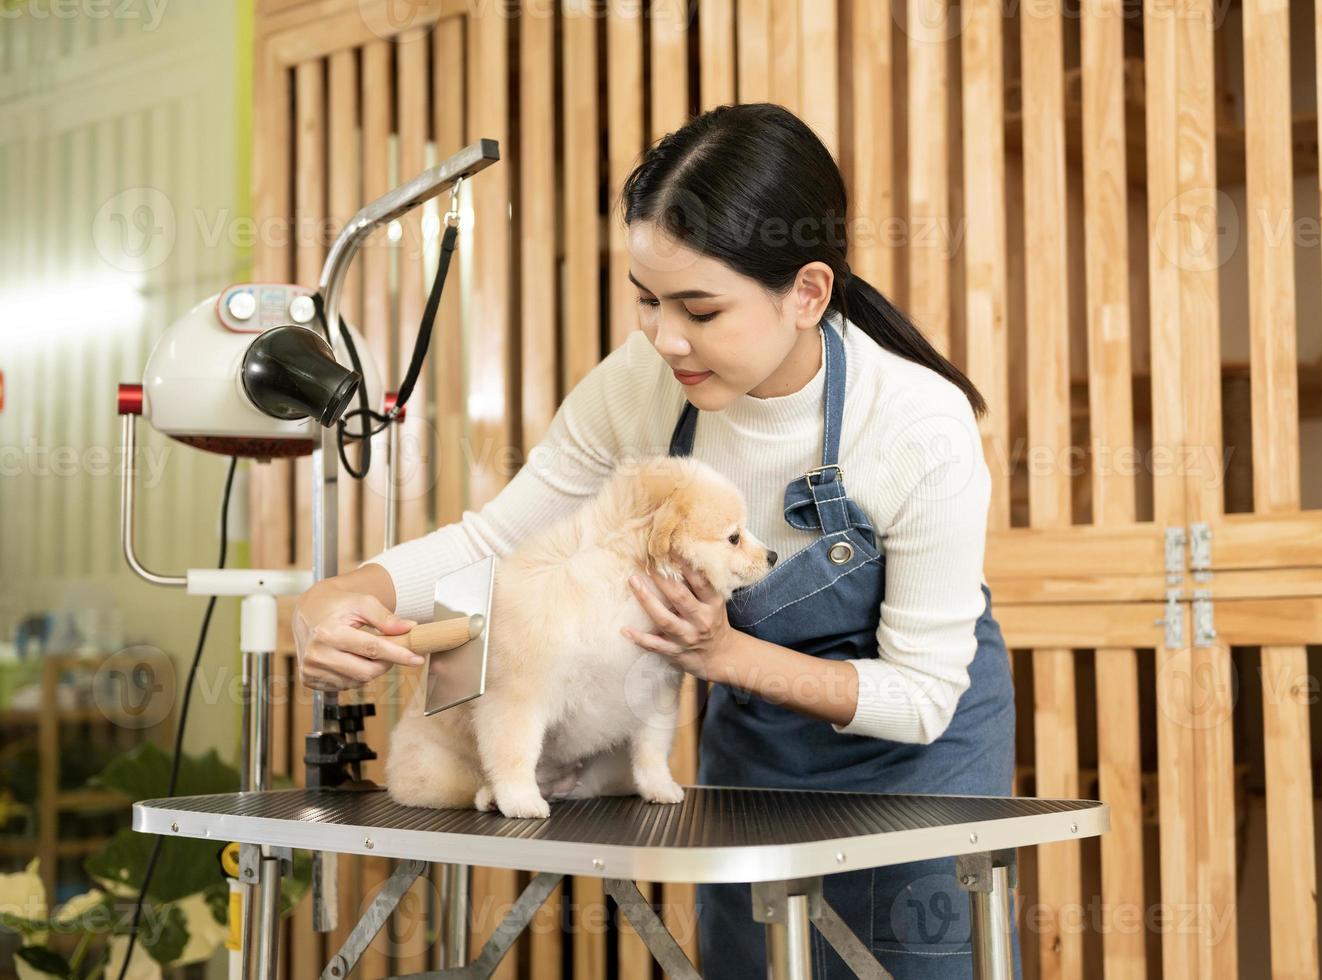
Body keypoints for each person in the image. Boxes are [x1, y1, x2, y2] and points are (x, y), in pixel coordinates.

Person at [293, 101, 1020, 979]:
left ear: (807, 292)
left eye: (700, 309)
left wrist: (724, 654)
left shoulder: (914, 424)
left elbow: (922, 695)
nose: (664, 337)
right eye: (646, 299)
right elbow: (504, 539)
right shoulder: (644, 386)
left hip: (919, 777)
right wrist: (347, 595)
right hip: (756, 757)